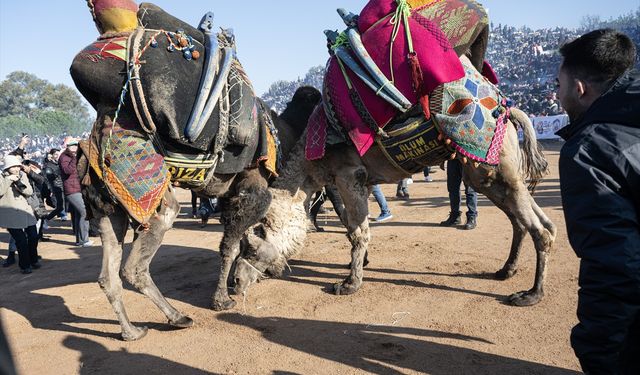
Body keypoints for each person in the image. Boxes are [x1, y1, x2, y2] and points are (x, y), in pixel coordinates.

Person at [555, 29, 639, 374]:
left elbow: (616, 266)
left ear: (579, 88)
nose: (557, 95)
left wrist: (598, 352)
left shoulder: (588, 150)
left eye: (559, 86)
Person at [0, 155, 40, 274]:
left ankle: (34, 260)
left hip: (25, 211)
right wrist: (9, 180)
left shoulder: (22, 175)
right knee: (21, 240)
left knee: (33, 236)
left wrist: (19, 184)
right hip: (10, 214)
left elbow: (29, 191)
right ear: (7, 168)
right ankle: (25, 265)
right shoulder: (1, 177)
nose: (17, 168)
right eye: (14, 167)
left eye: (18, 166)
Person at [59, 138, 93, 247]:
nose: (75, 147)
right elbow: (67, 170)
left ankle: (80, 241)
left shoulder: (73, 156)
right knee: (84, 212)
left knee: (79, 214)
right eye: (72, 145)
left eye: (76, 145)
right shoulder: (64, 157)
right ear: (67, 146)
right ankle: (84, 240)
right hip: (72, 190)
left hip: (77, 188)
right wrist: (75, 158)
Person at [440, 159, 477, 230]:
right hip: (453, 160)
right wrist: (442, 160)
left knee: (470, 190)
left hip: (467, 159)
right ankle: (455, 216)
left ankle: (472, 217)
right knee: (453, 189)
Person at [42, 148, 66, 225]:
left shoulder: (59, 163)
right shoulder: (49, 165)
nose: (58, 156)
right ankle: (46, 218)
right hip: (57, 187)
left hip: (64, 186)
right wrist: (59, 170)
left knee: (65, 206)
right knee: (60, 207)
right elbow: (50, 177)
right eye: (56, 154)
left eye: (59, 154)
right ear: (52, 155)